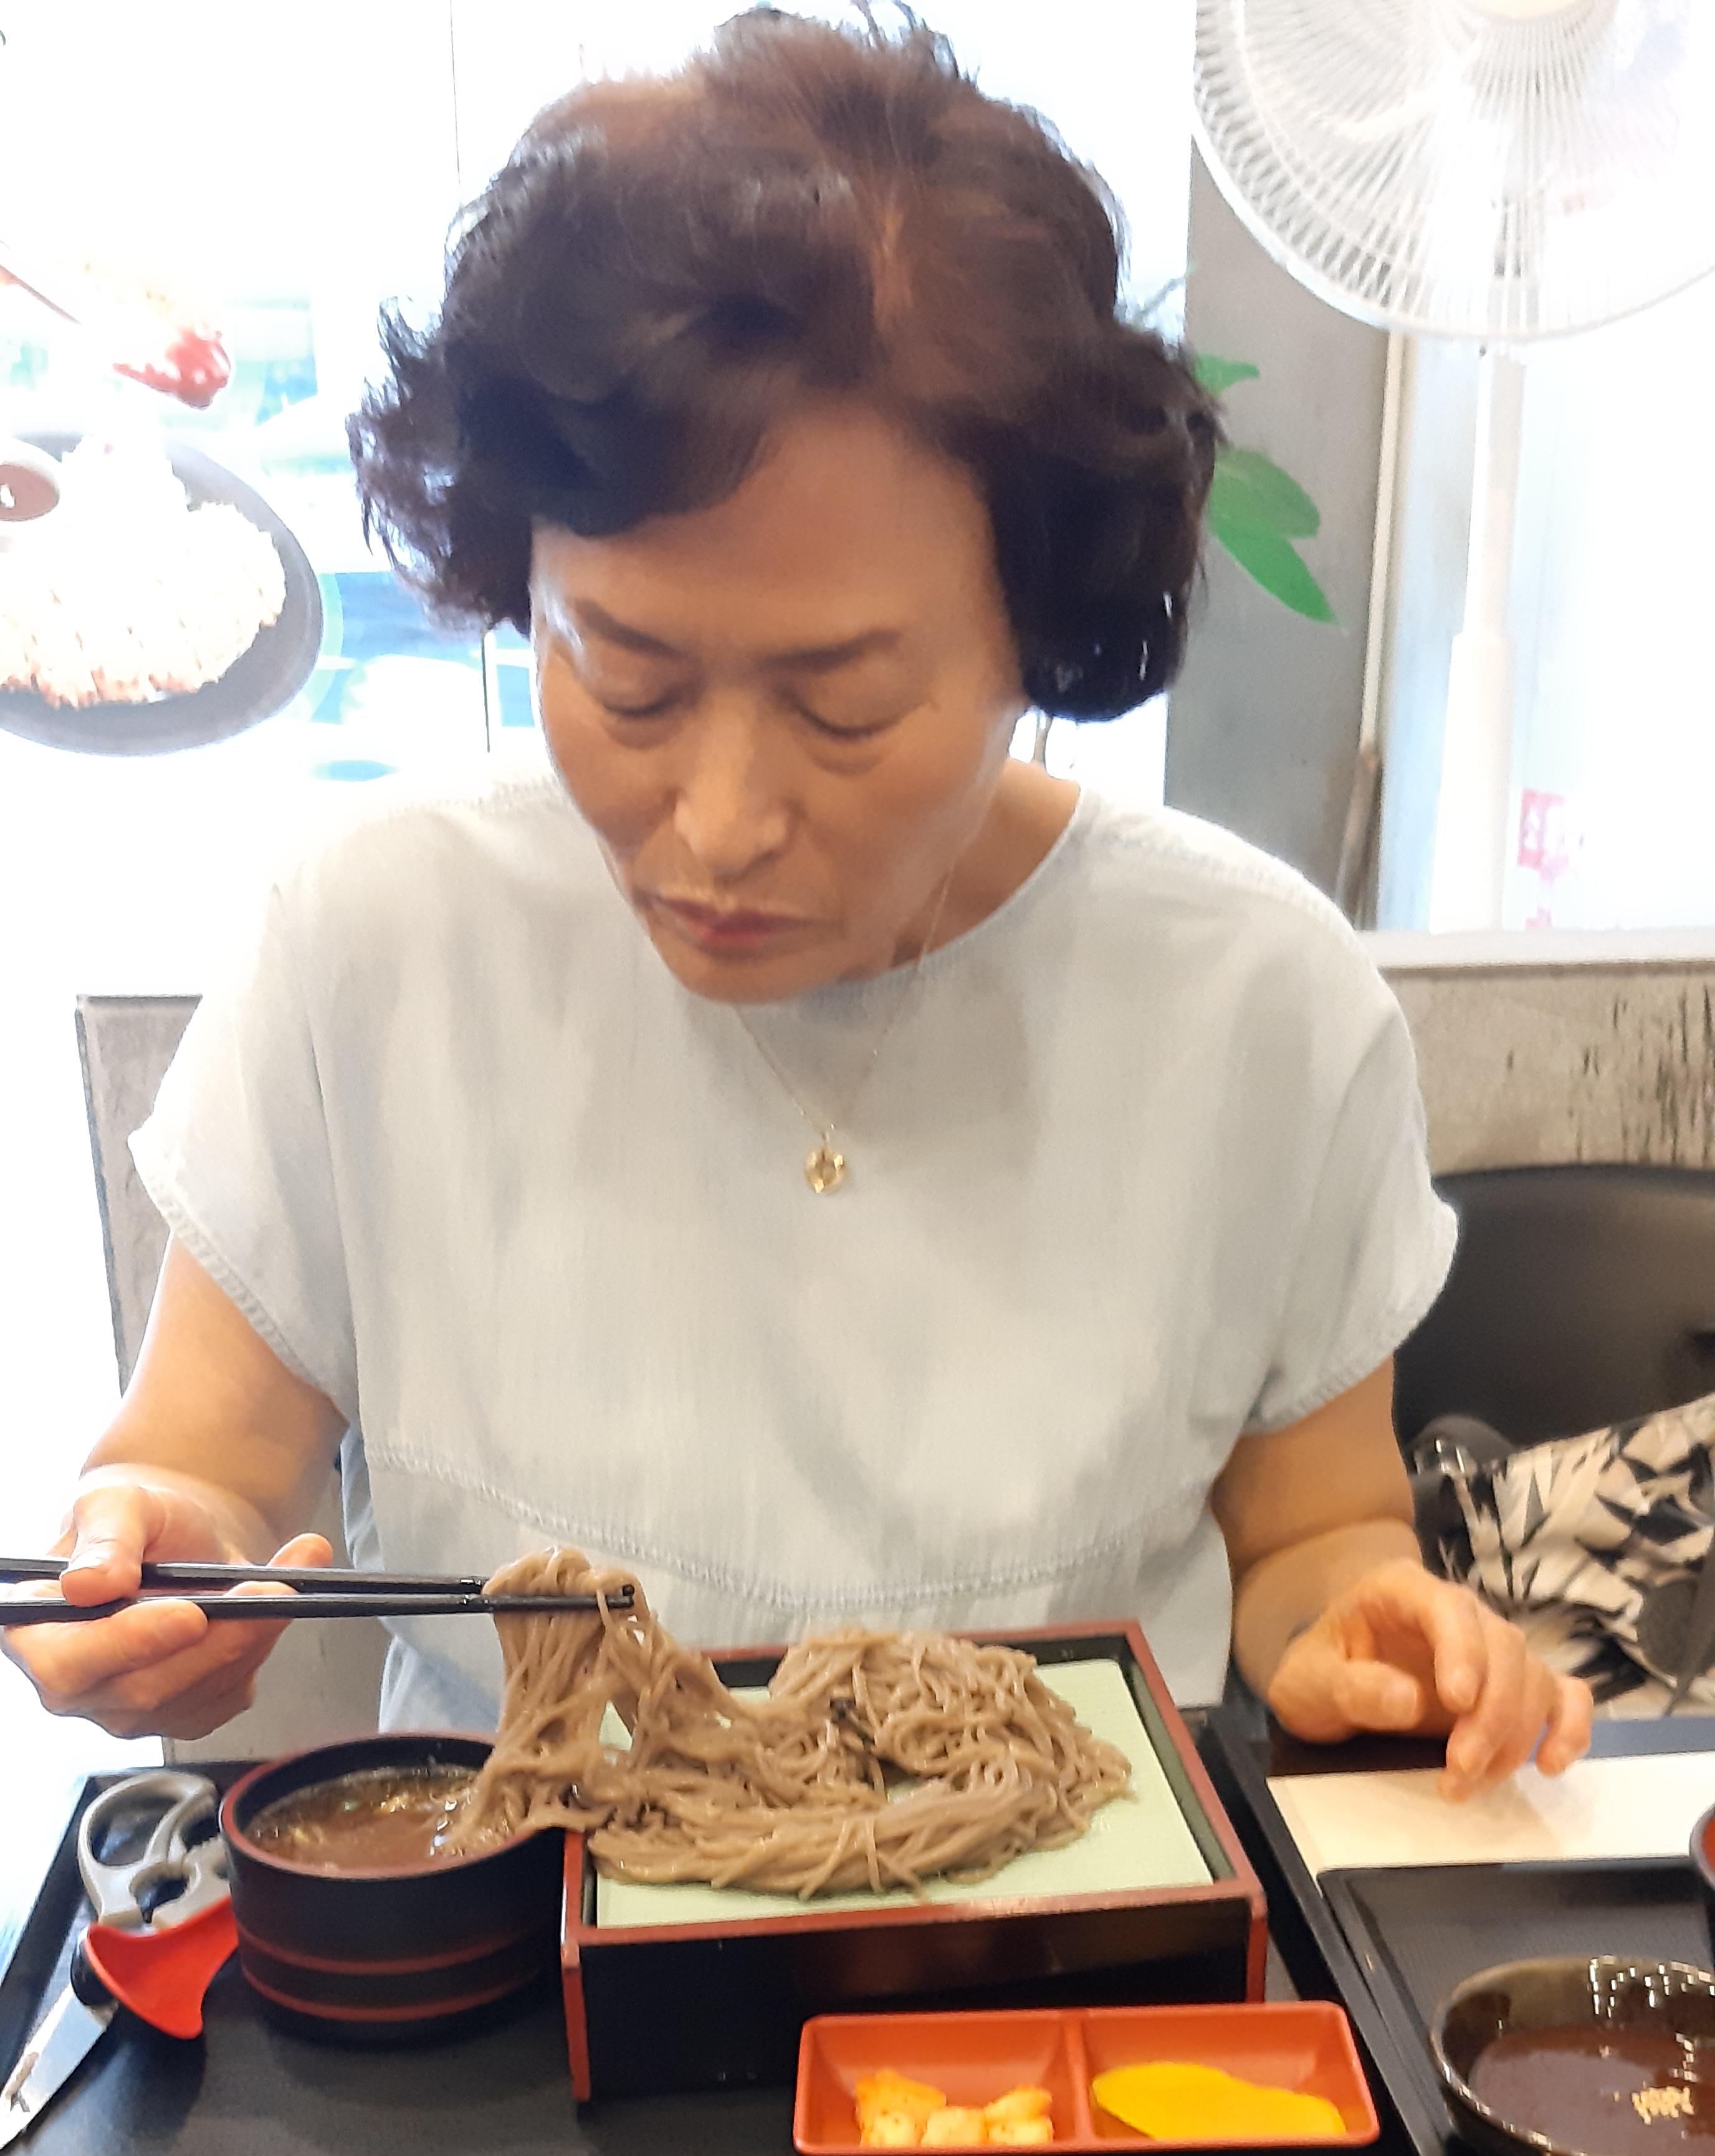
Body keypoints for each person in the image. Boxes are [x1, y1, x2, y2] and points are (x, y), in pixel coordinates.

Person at [5, 11, 1590, 1797]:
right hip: (519, 1920)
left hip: (1056, 1924)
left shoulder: (1260, 1004)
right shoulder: (371, 941)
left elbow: (1313, 1536)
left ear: (1041, 639)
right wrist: (151, 1554)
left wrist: (1366, 1619)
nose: (720, 821)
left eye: (842, 706)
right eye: (628, 678)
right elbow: (199, 1469)